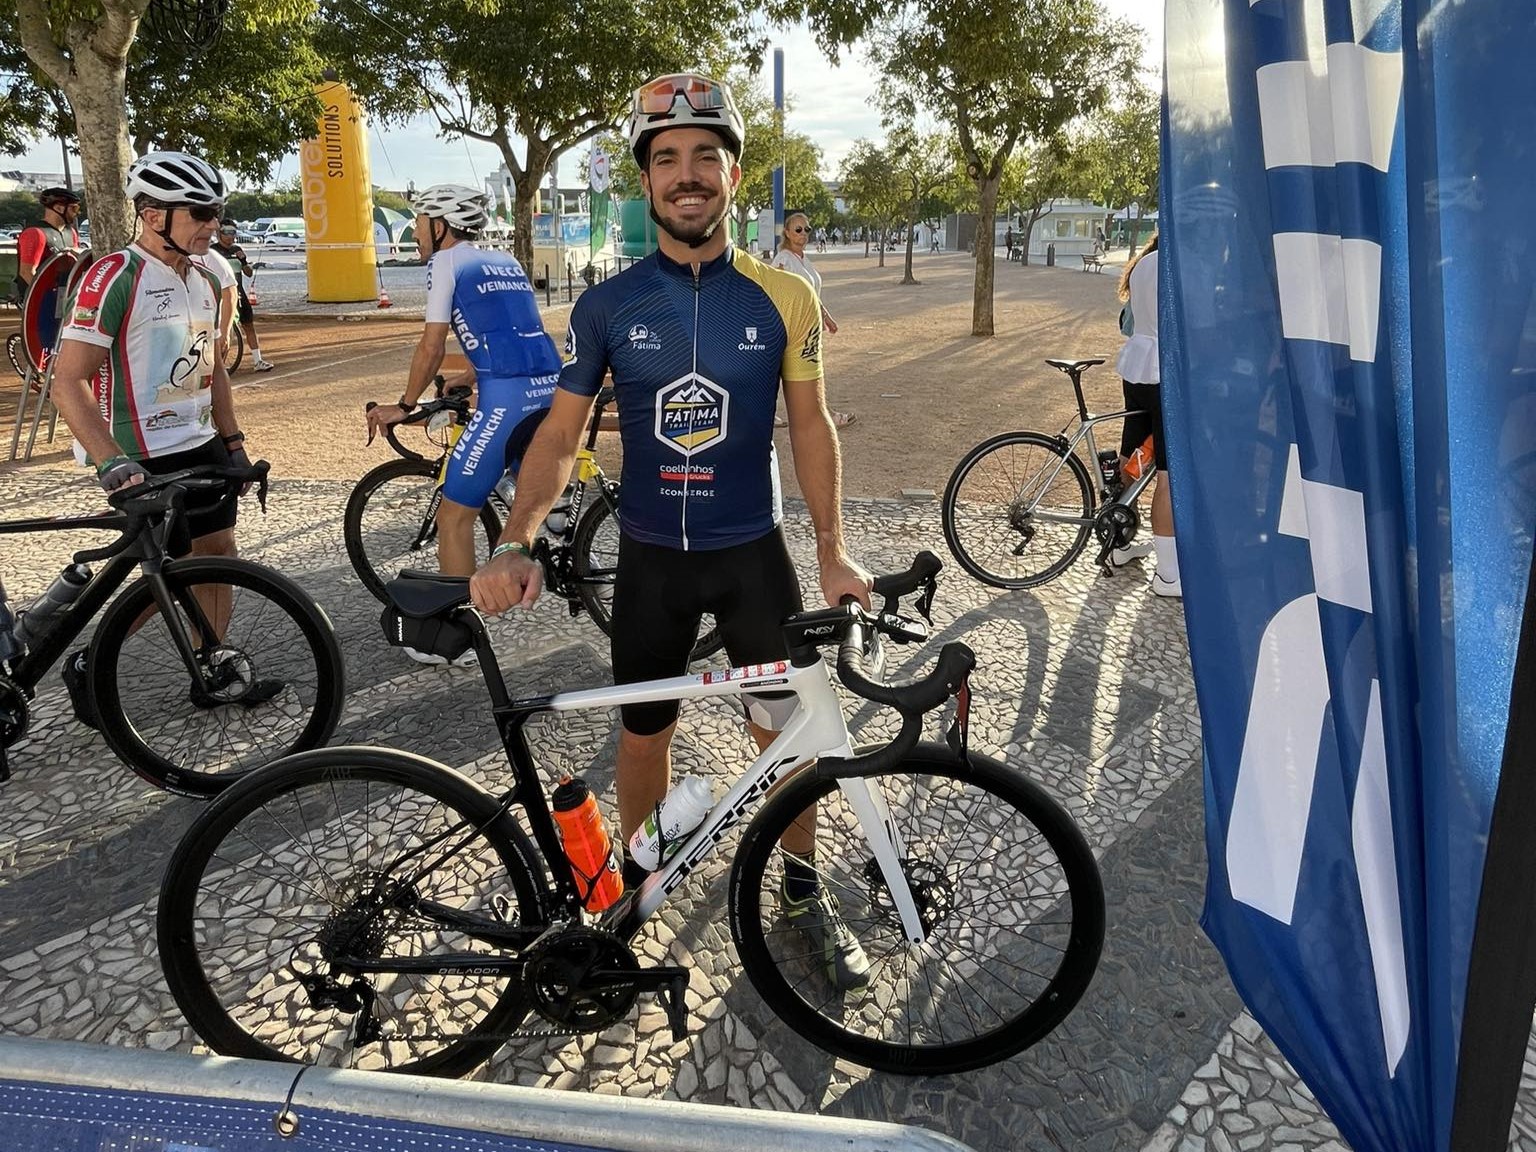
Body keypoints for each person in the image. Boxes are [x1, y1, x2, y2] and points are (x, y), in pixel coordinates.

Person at [469, 72, 873, 991]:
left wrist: (832, 548)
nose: (686, 175)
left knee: (788, 736)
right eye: (667, 160)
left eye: (705, 158)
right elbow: (562, 433)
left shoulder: (786, 296)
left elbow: (808, 426)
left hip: (751, 554)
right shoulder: (608, 305)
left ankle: (801, 894)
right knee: (646, 735)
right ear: (645, 181)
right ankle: (642, 888)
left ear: (734, 174)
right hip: (651, 556)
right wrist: (516, 537)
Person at [48, 151, 272, 725]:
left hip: (198, 441)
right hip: (138, 451)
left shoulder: (202, 275)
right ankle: (92, 657)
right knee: (167, 571)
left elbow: (213, 366)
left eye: (216, 211)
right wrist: (109, 462)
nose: (212, 224)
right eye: (199, 212)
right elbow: (67, 381)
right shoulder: (114, 275)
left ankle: (213, 667)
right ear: (151, 214)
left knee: (218, 554)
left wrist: (235, 442)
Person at [366, 183, 562, 664]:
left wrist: (405, 404)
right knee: (529, 483)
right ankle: (556, 528)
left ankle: (461, 636)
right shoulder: (506, 261)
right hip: (549, 387)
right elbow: (512, 333)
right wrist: (472, 372)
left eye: (419, 222)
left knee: (455, 516)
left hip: (509, 399)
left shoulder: (445, 263)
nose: (414, 232)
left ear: (440, 226)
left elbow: (431, 344)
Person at [1111, 232, 1178, 595]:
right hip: (1164, 371)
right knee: (1167, 475)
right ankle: (1168, 575)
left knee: (1132, 453)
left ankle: (1119, 543)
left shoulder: (1142, 265)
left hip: (1136, 367)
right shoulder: (1177, 265)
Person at [770, 210, 853, 428]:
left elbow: (811, 294)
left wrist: (826, 317)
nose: (803, 233)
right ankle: (827, 415)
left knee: (797, 372)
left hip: (810, 325)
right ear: (787, 233)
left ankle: (825, 413)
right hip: (791, 327)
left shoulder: (804, 259)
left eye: (807, 229)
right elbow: (774, 292)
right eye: (798, 229)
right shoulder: (783, 260)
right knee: (795, 372)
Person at [211, 222, 275, 371]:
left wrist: (244, 261)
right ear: (219, 233)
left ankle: (257, 360)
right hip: (220, 293)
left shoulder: (237, 250)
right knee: (222, 328)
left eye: (234, 232)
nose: (231, 236)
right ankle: (218, 366)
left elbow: (248, 273)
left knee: (248, 324)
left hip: (238, 292)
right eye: (228, 232)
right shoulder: (212, 252)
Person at [14, 186, 82, 296]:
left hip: (64, 295)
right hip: (41, 300)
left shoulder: (71, 232)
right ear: (59, 208)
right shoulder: (35, 233)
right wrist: (46, 297)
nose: (77, 213)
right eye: (74, 209)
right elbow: (26, 272)